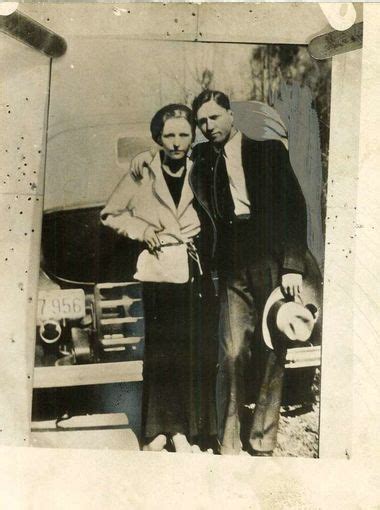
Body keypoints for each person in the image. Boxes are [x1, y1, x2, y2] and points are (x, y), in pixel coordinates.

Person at [131, 90, 309, 456]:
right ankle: (228, 444)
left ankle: (262, 440)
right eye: (201, 123)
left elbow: (295, 208)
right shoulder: (203, 159)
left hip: (271, 261)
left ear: (230, 115)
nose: (207, 127)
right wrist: (143, 158)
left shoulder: (268, 151)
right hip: (230, 266)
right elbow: (168, 154)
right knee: (230, 351)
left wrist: (292, 266)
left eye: (213, 118)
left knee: (274, 347)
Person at [101, 104, 218, 453]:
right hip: (158, 269)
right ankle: (156, 430)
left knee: (190, 349)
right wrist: (142, 229)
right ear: (158, 138)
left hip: (194, 271)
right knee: (159, 350)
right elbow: (110, 213)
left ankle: (184, 431)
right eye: (169, 135)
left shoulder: (203, 168)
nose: (177, 142)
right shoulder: (143, 171)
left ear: (192, 137)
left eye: (184, 134)